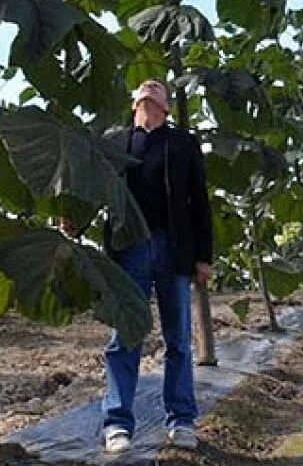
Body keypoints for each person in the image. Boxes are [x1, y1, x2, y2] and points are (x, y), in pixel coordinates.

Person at [101, 78, 213, 454]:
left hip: (172, 247)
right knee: (124, 337)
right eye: (144, 87)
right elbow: (98, 187)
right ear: (135, 103)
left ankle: (181, 421)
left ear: (166, 106)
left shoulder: (182, 142)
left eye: (158, 87)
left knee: (178, 338)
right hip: (128, 247)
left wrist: (203, 256)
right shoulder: (115, 141)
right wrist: (75, 217)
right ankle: (117, 424)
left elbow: (199, 200)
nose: (150, 88)